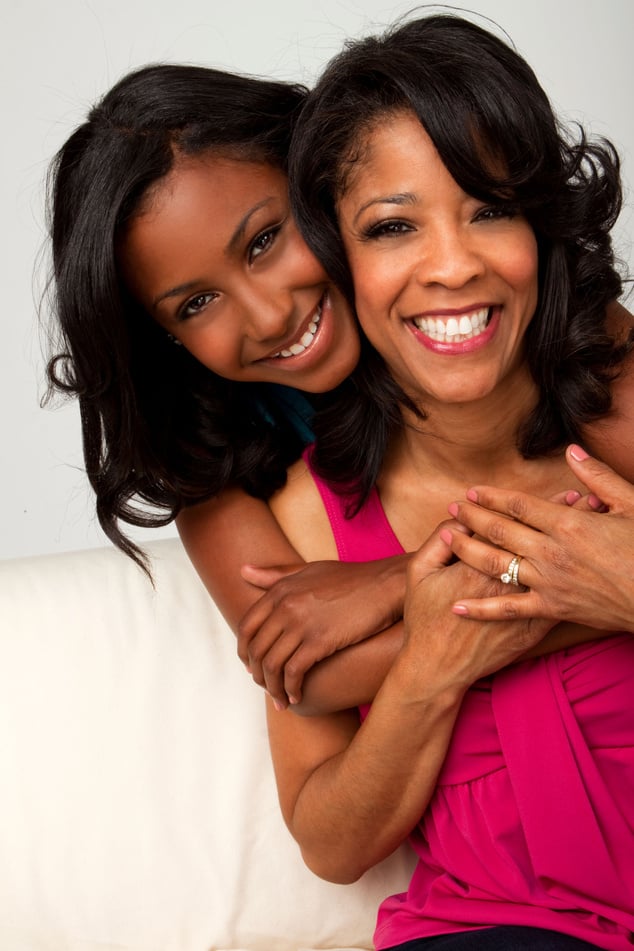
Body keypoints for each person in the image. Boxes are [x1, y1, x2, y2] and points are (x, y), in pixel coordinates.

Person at [45, 59, 633, 717]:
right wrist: (590, 587)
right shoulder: (207, 463)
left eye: (265, 240)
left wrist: (395, 584)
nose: (269, 316)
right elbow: (315, 676)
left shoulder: (497, 302)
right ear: (165, 339)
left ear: (321, 187)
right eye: (197, 303)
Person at [262, 12, 634, 949]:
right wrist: (429, 667)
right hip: (493, 928)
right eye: (393, 227)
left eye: (490, 209)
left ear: (541, 229)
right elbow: (331, 842)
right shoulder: (313, 514)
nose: (453, 265)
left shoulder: (621, 403)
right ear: (338, 263)